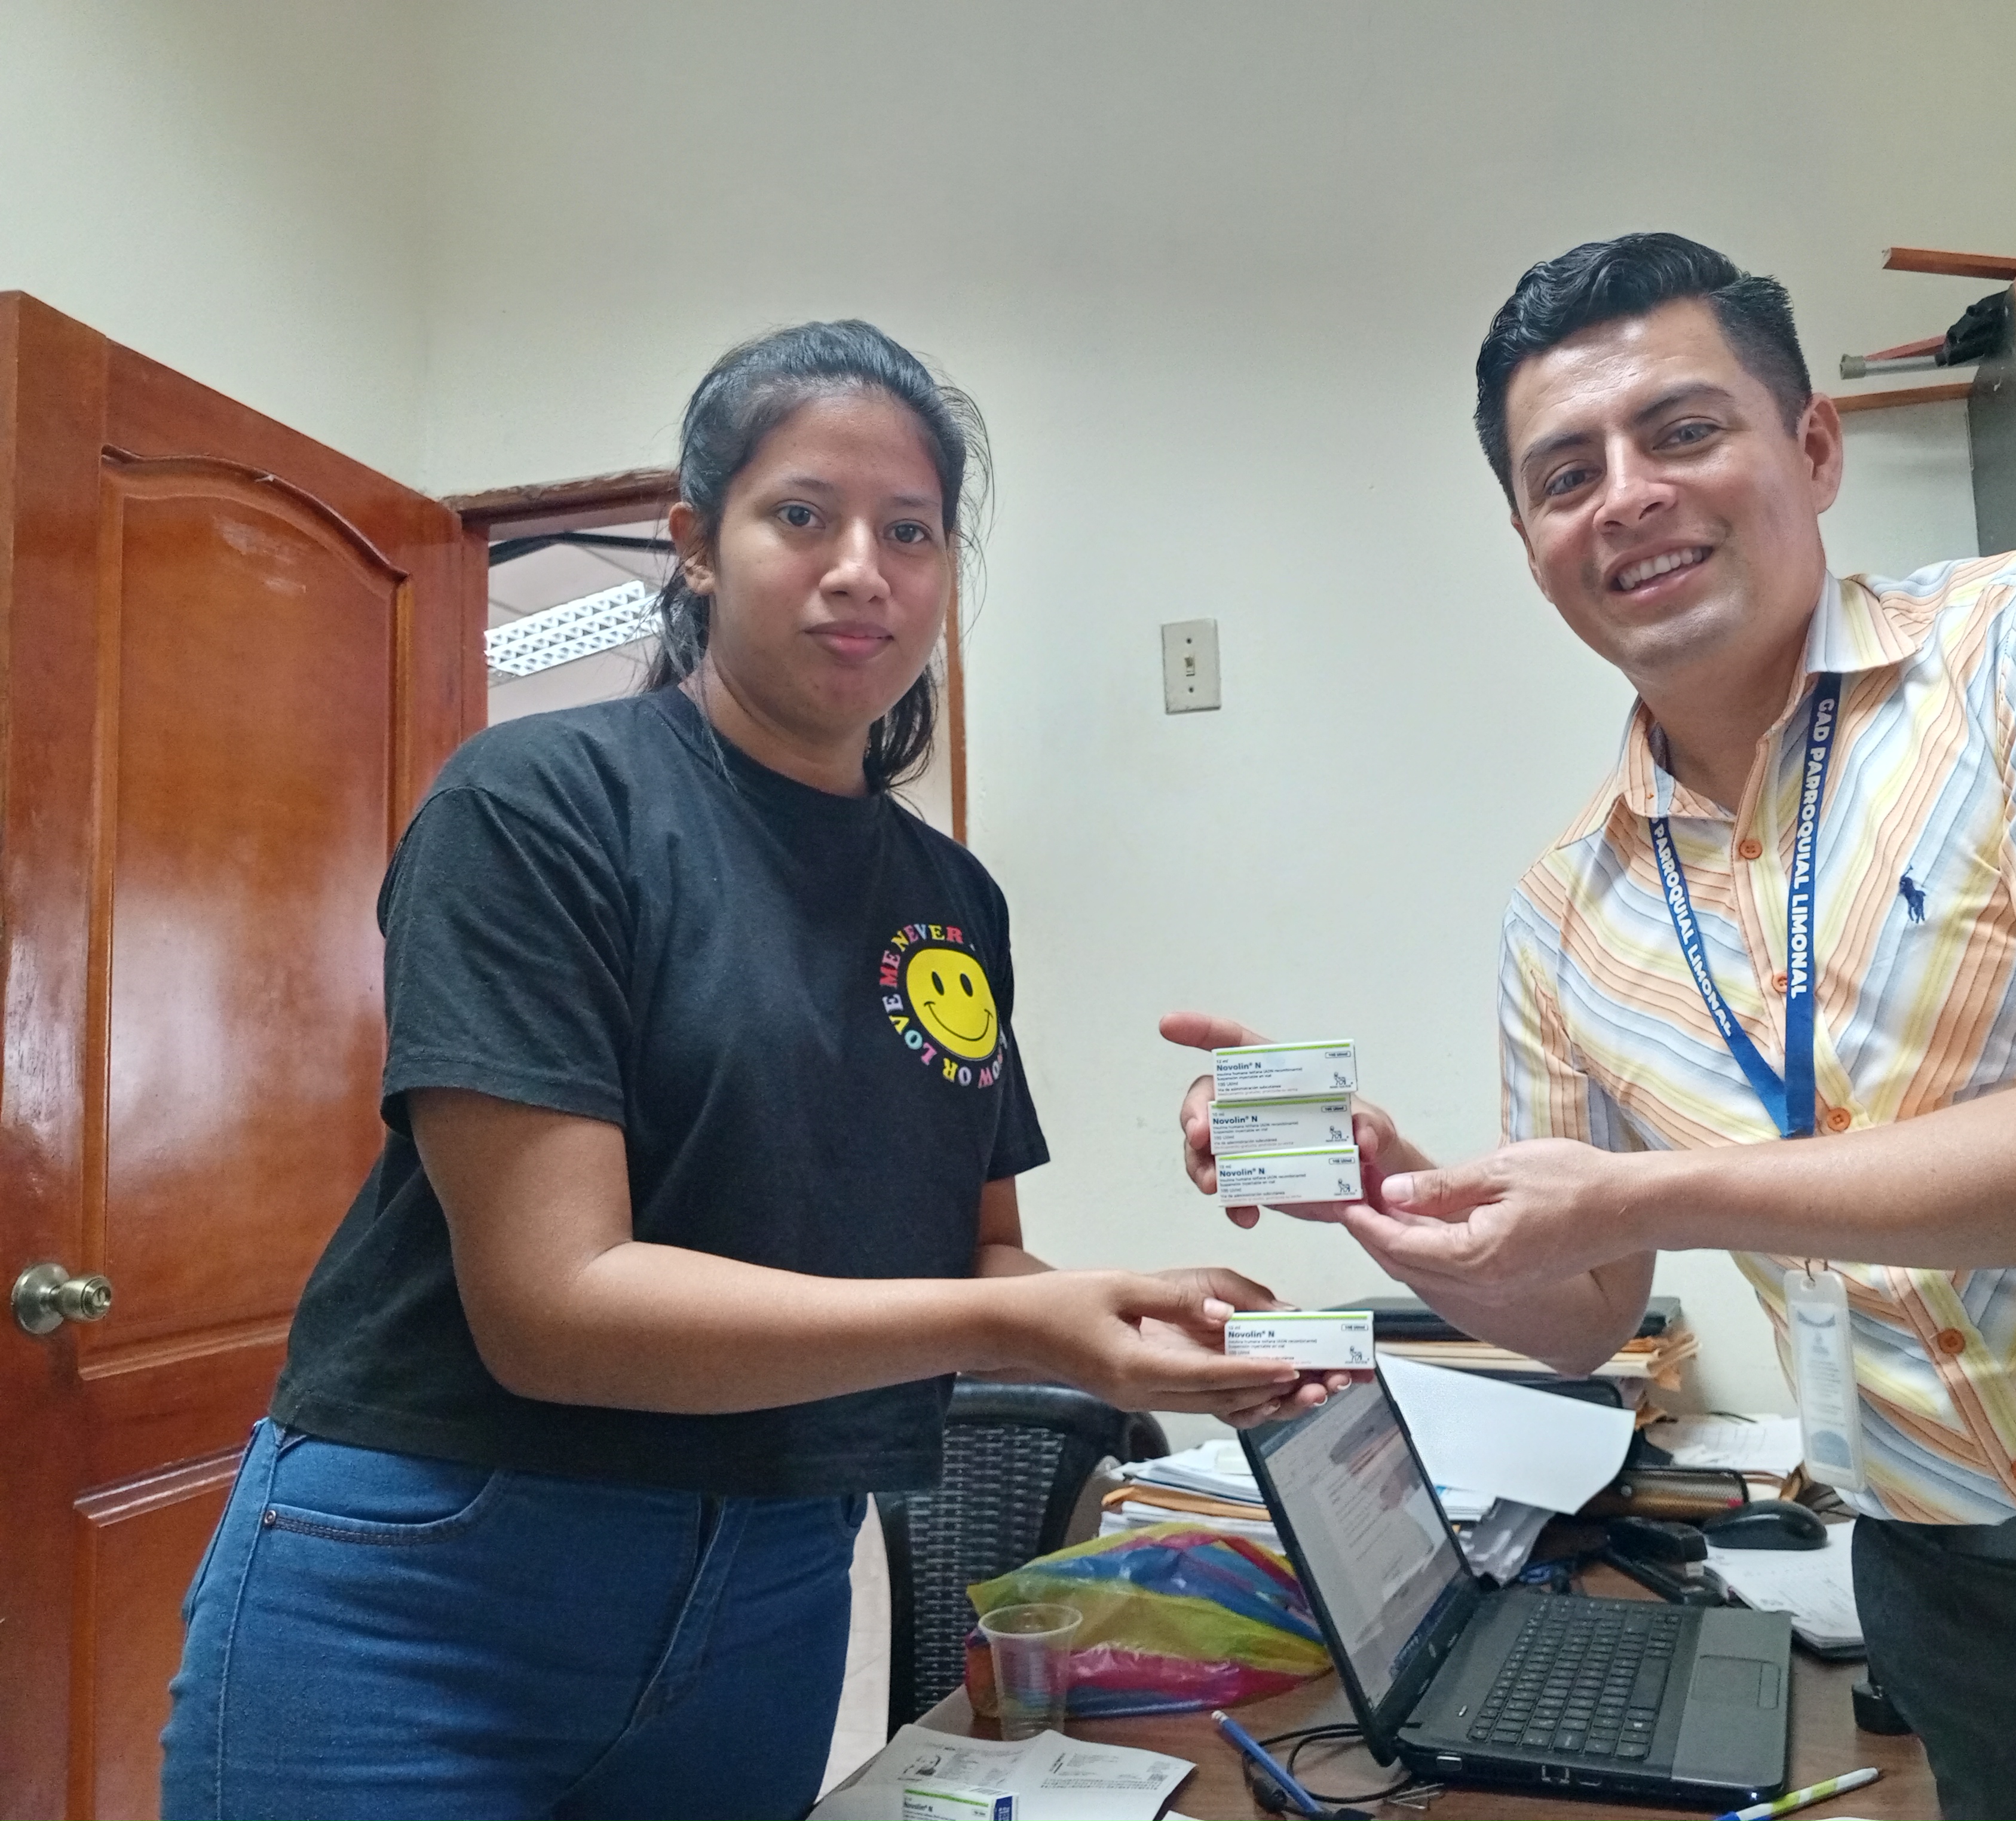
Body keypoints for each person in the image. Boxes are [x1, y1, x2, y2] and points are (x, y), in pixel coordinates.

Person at [1168, 235, 2016, 1821]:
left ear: (1814, 448)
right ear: (1531, 543)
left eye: (1683, 431)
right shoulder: (1566, 910)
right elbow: (1579, 1316)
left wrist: (1651, 1191)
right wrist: (1395, 1201)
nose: (1626, 496)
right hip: (1983, 1621)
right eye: (1566, 475)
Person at [163, 319, 1329, 1821]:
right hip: (435, 1576)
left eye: (909, 531)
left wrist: (1142, 1320)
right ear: (696, 548)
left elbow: (975, 1256)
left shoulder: (951, 897)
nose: (861, 569)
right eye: (801, 515)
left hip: (775, 1581)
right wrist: (1026, 1325)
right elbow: (555, 1311)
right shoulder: (537, 804)